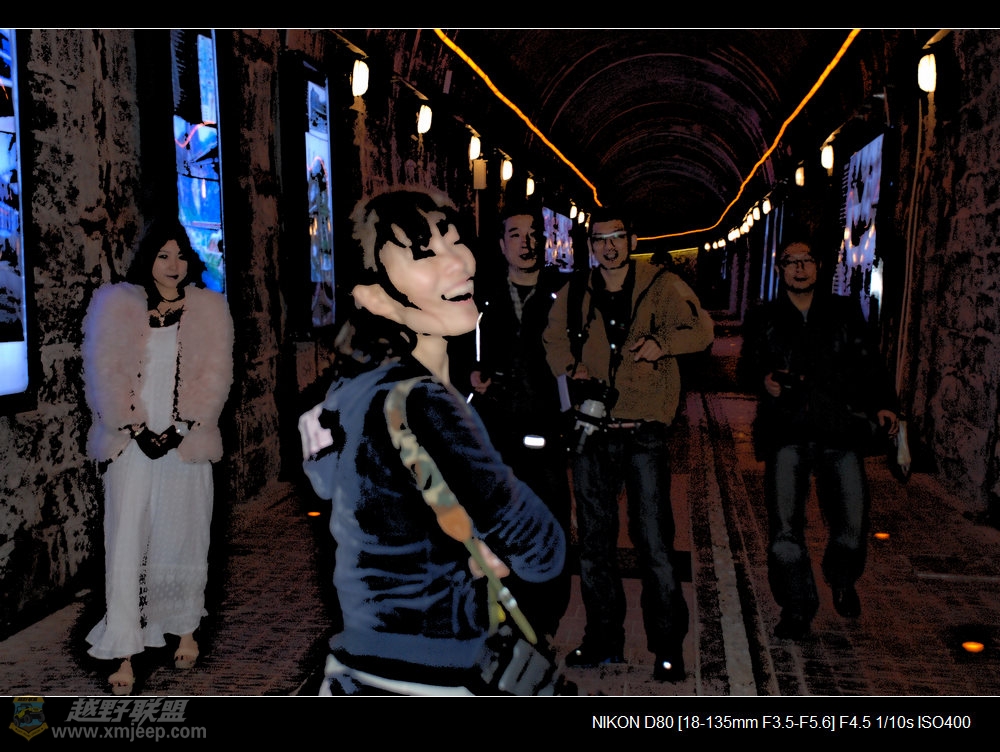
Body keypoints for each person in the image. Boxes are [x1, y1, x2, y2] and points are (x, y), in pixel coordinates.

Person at [298, 187, 566, 695]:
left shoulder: (346, 390)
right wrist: (486, 547)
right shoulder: (421, 401)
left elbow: (342, 489)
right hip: (436, 659)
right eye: (424, 254)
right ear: (374, 297)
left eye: (454, 240)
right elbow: (542, 548)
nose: (459, 263)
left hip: (367, 656)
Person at [542, 206, 715, 682]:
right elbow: (553, 338)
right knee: (594, 543)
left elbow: (702, 331)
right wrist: (570, 367)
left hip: (644, 433)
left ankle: (667, 646)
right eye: (600, 239)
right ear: (590, 246)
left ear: (632, 241)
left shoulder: (662, 285)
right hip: (593, 432)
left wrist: (664, 343)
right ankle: (603, 639)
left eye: (617, 237)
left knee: (654, 543)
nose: (609, 247)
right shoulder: (576, 291)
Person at [82, 217, 234, 695]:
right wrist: (132, 427)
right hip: (131, 443)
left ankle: (185, 627)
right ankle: (124, 649)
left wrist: (182, 428)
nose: (173, 265)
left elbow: (215, 376)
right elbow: (104, 373)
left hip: (184, 442)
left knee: (184, 533)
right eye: (164, 255)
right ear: (148, 259)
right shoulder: (118, 307)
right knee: (127, 538)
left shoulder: (208, 310)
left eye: (181, 255)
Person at [738, 237, 899, 641]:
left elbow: (869, 362)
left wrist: (884, 404)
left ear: (818, 266)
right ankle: (796, 606)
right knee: (784, 529)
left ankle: (842, 576)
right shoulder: (764, 317)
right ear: (779, 269)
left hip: (839, 429)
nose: (799, 268)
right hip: (786, 431)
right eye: (790, 261)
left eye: (806, 260)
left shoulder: (843, 312)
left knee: (852, 523)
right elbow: (745, 368)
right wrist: (764, 380)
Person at [451, 200, 572, 641]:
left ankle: (544, 619)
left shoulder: (564, 296)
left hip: (546, 425)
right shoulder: (480, 297)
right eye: (516, 235)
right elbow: (454, 347)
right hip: (493, 428)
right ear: (502, 245)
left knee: (549, 521)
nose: (526, 243)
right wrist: (469, 375)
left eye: (533, 234)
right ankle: (497, 614)